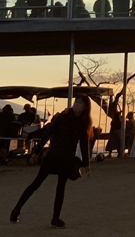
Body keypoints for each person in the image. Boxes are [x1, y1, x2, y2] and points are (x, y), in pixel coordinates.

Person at [10, 94, 93, 229]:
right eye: (76, 101)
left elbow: (84, 144)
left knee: (60, 189)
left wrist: (87, 163)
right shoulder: (63, 116)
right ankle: (16, 210)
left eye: (81, 103)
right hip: (53, 156)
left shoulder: (83, 123)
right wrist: (36, 152)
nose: (77, 105)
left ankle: (55, 218)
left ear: (85, 108)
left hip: (67, 159)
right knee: (36, 184)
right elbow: (48, 133)